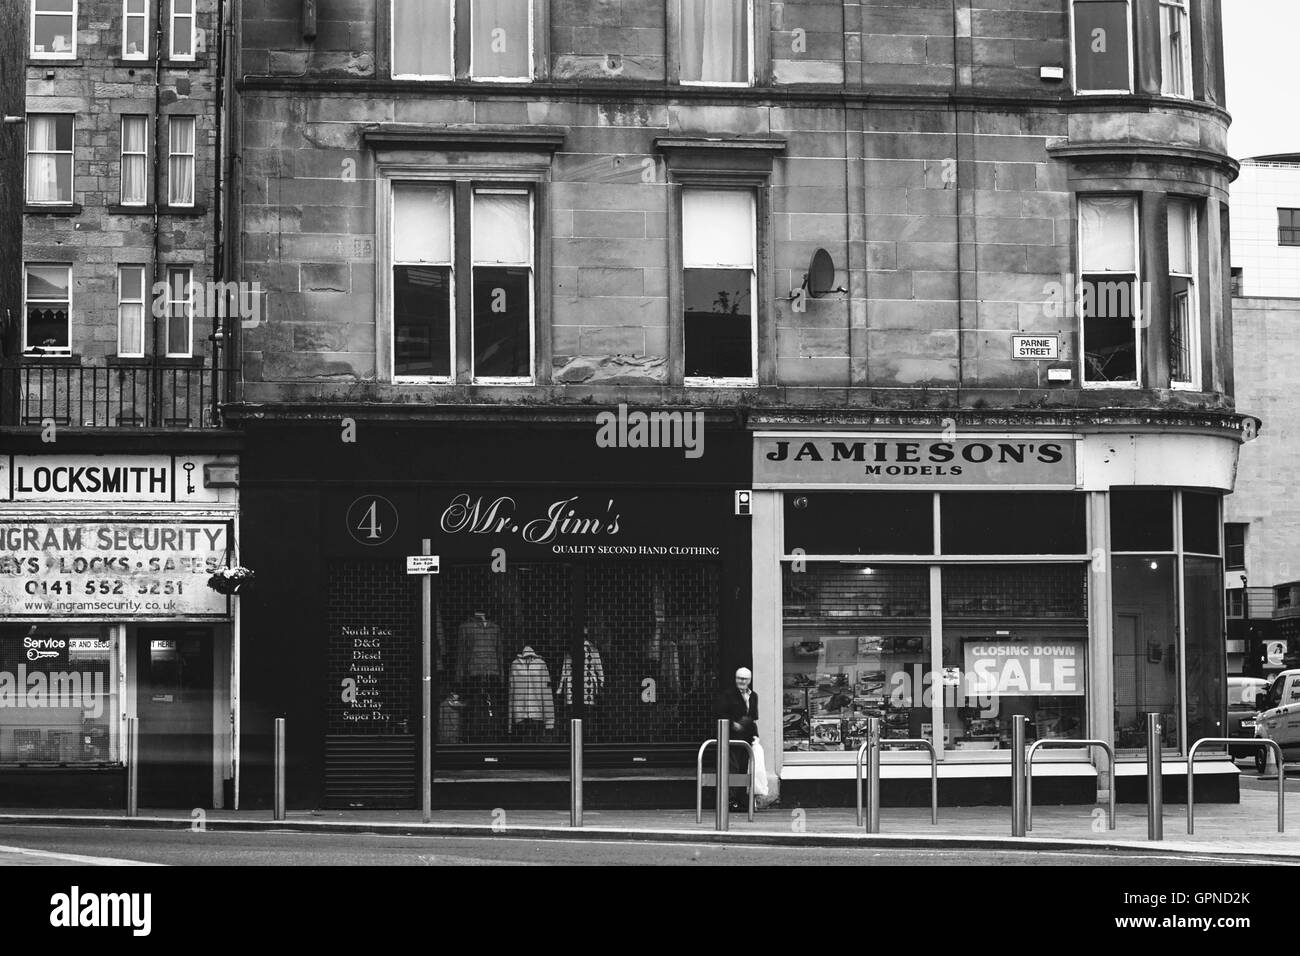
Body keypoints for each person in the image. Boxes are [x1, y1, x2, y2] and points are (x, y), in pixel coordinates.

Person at [714, 666, 759, 810]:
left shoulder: (753, 696)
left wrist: (751, 732)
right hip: (731, 738)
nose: (742, 681)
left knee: (744, 768)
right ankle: (730, 800)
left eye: (745, 679)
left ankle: (741, 799)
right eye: (739, 678)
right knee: (732, 767)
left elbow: (754, 715)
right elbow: (720, 713)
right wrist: (734, 724)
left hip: (747, 738)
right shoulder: (728, 695)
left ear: (750, 680)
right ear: (735, 679)